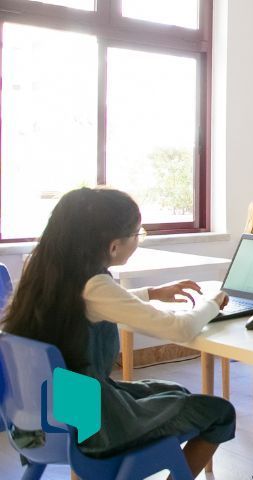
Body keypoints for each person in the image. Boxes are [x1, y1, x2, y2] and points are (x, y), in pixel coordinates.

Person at [1, 187, 235, 476]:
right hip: (89, 424)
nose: (138, 240)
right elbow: (182, 328)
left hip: (39, 421)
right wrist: (216, 301)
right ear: (113, 246)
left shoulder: (45, 273)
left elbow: (94, 304)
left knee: (174, 391)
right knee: (219, 412)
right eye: (138, 234)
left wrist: (151, 293)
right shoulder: (94, 285)